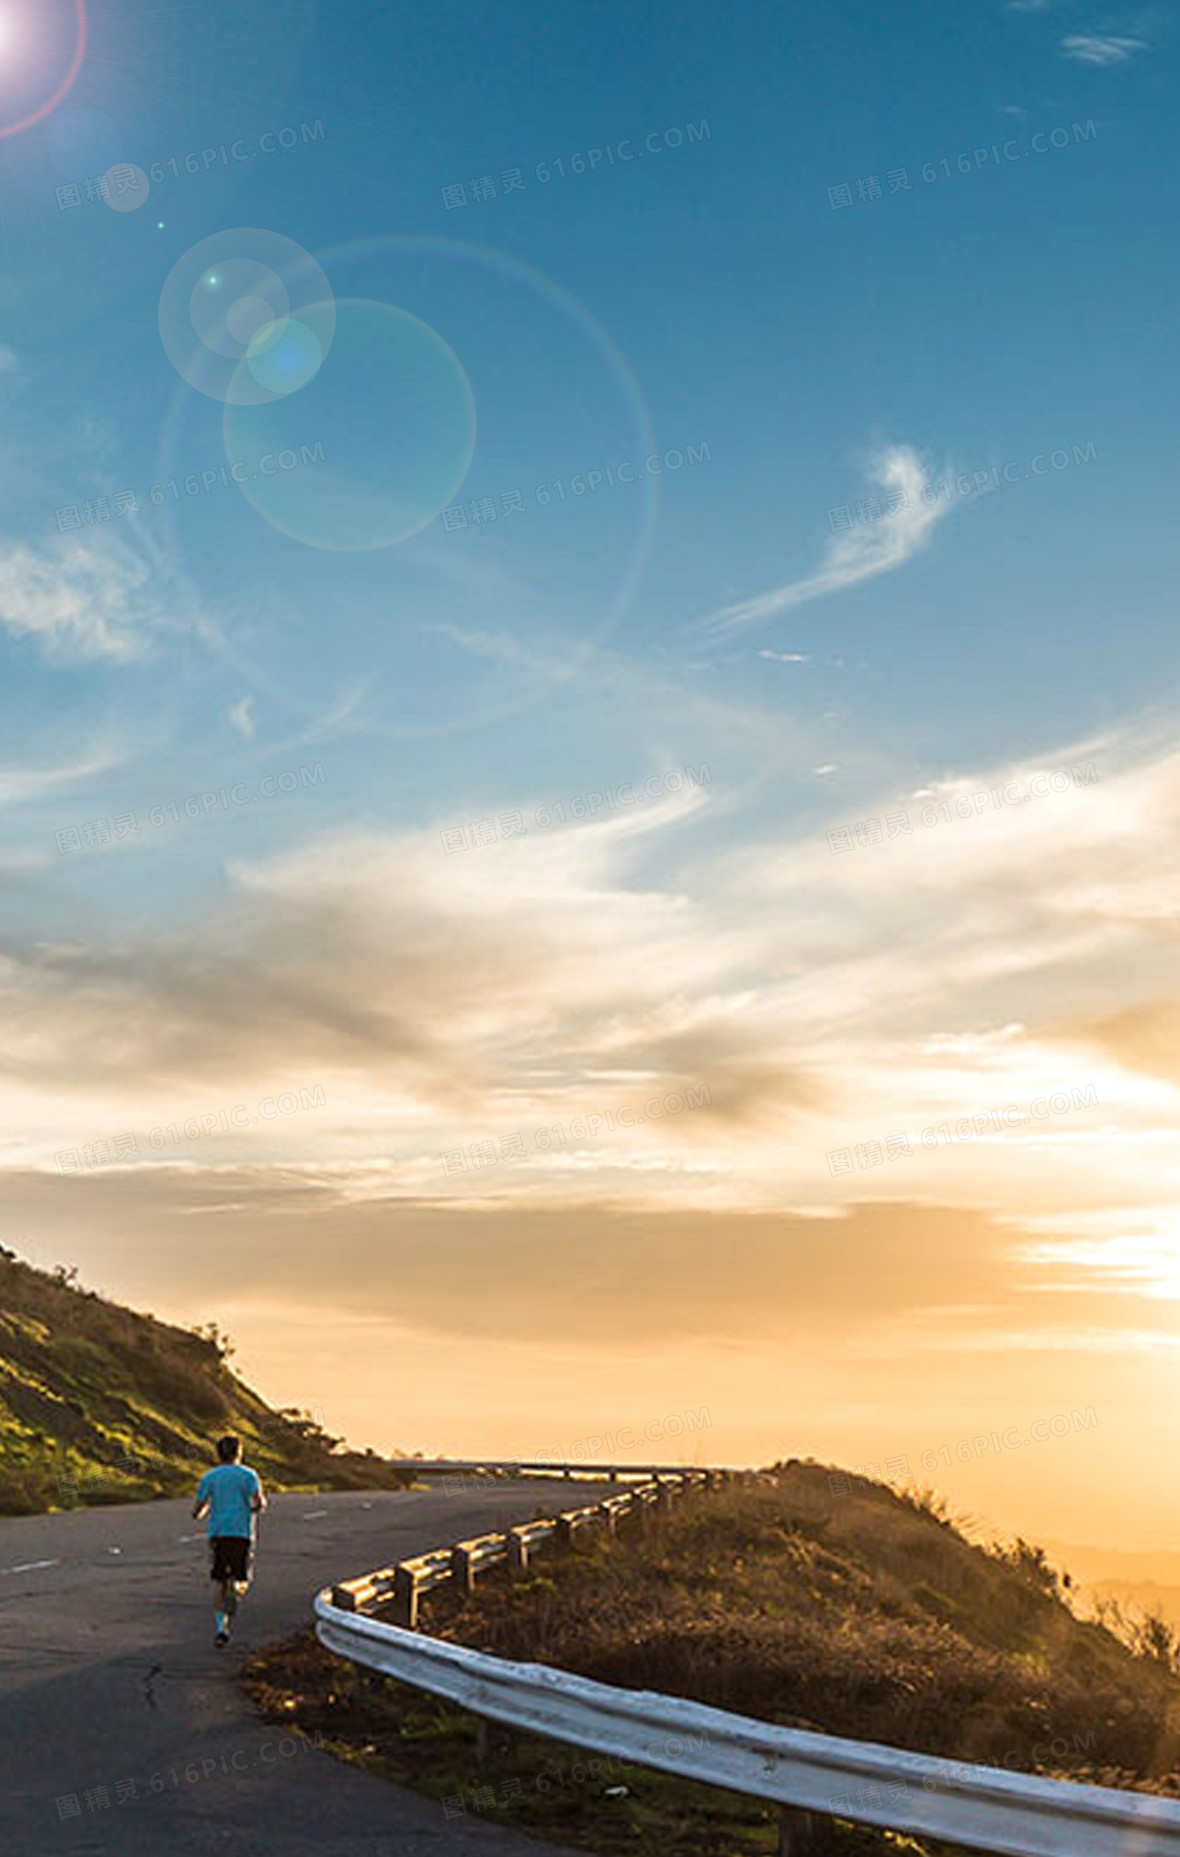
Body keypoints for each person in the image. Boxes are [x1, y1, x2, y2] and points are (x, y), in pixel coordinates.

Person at [192, 1434, 266, 1645]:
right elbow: (258, 1503)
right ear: (239, 1453)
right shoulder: (249, 1475)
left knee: (218, 1581)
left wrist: (201, 1512)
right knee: (242, 1578)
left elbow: (198, 1508)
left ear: (218, 1453)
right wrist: (255, 1508)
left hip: (218, 1534)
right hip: (241, 1534)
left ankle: (220, 1627)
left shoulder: (210, 1477)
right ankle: (235, 1589)